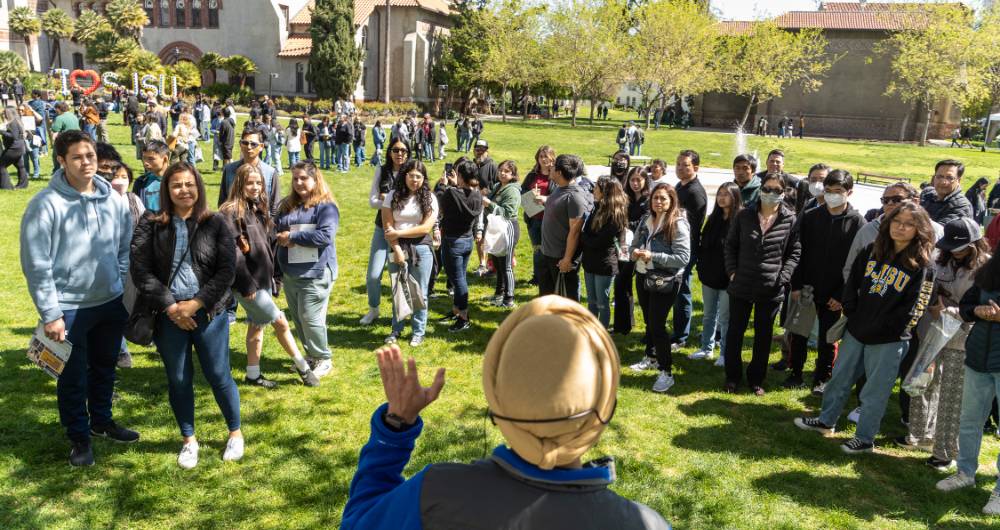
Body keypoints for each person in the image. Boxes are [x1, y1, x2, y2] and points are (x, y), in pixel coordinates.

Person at [340, 297, 670, 529]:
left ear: (497, 399)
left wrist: (395, 428)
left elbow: (360, 522)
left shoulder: (434, 494)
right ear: (605, 406)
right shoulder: (645, 524)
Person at [20, 131, 136, 466]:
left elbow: (122, 245)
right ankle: (79, 437)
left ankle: (101, 421)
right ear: (61, 160)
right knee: (72, 377)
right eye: (77, 157)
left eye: (90, 156)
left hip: (109, 302)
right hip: (68, 308)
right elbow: (36, 264)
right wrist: (50, 312)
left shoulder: (113, 199)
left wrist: (116, 278)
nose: (86, 163)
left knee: (104, 368)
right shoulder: (45, 205)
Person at [795, 202, 936, 454]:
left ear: (920, 229)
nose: (900, 228)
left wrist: (888, 329)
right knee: (839, 379)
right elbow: (852, 284)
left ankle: (865, 438)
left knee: (874, 391)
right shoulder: (873, 250)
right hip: (857, 330)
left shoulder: (923, 266)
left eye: (908, 224)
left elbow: (916, 308)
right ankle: (826, 421)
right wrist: (851, 311)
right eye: (896, 221)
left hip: (889, 340)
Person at [131, 161, 243, 469]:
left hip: (208, 312)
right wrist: (171, 306)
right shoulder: (151, 222)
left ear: (199, 187)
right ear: (166, 189)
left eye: (189, 184)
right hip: (168, 314)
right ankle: (188, 440)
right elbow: (140, 270)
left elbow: (226, 270)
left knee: (218, 374)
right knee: (178, 378)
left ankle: (234, 432)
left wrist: (196, 304)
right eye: (177, 185)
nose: (184, 190)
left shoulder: (216, 222)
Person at [897, 218, 988, 470]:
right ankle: (918, 434)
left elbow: (978, 304)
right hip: (932, 331)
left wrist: (952, 309)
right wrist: (932, 304)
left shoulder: (986, 267)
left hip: (963, 336)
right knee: (922, 382)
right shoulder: (939, 258)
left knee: (951, 395)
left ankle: (945, 452)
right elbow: (926, 287)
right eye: (952, 247)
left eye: (962, 247)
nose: (956, 252)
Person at [220, 164, 321, 388]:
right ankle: (304, 370)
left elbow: (270, 246)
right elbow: (232, 255)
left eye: (258, 183)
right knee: (281, 322)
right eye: (249, 183)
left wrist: (275, 278)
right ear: (239, 184)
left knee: (257, 326)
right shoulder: (230, 212)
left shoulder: (258, 209)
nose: (255, 187)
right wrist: (247, 287)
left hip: (262, 280)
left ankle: (253, 374)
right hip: (248, 285)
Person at [786, 170, 865, 390]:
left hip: (835, 291)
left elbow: (857, 264)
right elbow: (798, 252)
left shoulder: (858, 222)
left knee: (828, 338)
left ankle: (822, 376)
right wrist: (797, 284)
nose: (832, 195)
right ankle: (796, 372)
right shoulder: (812, 216)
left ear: (849, 192)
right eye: (828, 191)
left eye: (838, 191)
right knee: (799, 331)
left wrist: (842, 295)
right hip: (808, 286)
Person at [934, 252, 1000, 515]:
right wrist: (978, 311)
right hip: (978, 358)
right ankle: (965, 473)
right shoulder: (990, 271)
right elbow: (966, 307)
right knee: (969, 419)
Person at [723, 172, 800, 396]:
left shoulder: (789, 219)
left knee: (763, 336)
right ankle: (732, 377)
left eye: (776, 190)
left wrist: (783, 277)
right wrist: (732, 272)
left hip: (771, 287)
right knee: (735, 333)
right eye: (767, 189)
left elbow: (794, 252)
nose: (770, 194)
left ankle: (757, 379)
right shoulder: (744, 215)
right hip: (742, 284)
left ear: (783, 193)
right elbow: (730, 246)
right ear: (760, 189)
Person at [274, 162, 340, 377]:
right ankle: (310, 355)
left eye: (303, 178)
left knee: (311, 317)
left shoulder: (326, 207)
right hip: (291, 272)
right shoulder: (287, 205)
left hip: (316, 272)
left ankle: (323, 358)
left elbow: (325, 236)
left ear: (315, 179)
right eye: (295, 179)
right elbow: (276, 227)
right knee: (300, 318)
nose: (299, 183)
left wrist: (293, 237)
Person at [627, 183, 691, 393]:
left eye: (663, 198)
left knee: (657, 325)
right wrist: (633, 252)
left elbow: (683, 258)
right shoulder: (647, 220)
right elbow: (634, 244)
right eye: (655, 198)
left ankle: (667, 372)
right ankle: (651, 357)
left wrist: (653, 256)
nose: (659, 202)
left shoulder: (677, 224)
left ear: (672, 201)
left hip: (665, 280)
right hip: (643, 275)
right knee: (649, 322)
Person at [382, 159, 438, 346]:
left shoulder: (430, 198)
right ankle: (396, 329)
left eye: (419, 176)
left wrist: (399, 232)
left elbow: (425, 228)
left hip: (421, 247)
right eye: (412, 175)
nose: (415, 180)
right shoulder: (392, 195)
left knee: (419, 291)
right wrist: (397, 248)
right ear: (405, 176)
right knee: (398, 289)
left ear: (424, 179)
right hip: (396, 246)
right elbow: (387, 226)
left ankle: (418, 331)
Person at [690, 182, 743, 364]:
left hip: (729, 278)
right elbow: (705, 245)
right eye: (719, 194)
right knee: (708, 314)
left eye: (726, 194)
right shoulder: (714, 218)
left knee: (726, 318)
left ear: (735, 197)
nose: (721, 197)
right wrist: (702, 267)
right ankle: (706, 348)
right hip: (710, 276)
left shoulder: (741, 219)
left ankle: (724, 353)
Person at [360, 139, 411, 326]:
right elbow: (372, 201)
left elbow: (413, 203)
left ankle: (398, 316)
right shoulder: (382, 171)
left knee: (396, 274)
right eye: (396, 150)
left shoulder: (412, 171)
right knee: (373, 275)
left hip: (402, 231)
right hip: (382, 228)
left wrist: (386, 198)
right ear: (389, 152)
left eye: (404, 151)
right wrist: (390, 201)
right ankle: (374, 309)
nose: (400, 154)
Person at [435, 160, 483, 331]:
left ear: (460, 175)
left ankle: (463, 317)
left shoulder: (451, 193)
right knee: (459, 277)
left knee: (458, 280)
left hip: (452, 241)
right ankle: (456, 310)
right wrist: (455, 185)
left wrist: (443, 186)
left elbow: (439, 205)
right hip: (467, 240)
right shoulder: (477, 194)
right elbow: (463, 196)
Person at [539, 154, 591, 301]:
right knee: (547, 298)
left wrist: (567, 259)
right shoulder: (559, 188)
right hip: (548, 253)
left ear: (560, 172)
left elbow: (575, 232)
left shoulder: (575, 197)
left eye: (553, 165)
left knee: (567, 300)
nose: (550, 167)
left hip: (561, 258)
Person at [671, 150, 707, 352]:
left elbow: (691, 226)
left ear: (695, 168)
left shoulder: (694, 192)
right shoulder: (680, 186)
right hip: (675, 246)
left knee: (681, 291)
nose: (680, 168)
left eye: (685, 165)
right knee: (676, 291)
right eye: (678, 164)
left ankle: (681, 336)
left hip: (686, 249)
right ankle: (677, 332)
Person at [581, 177, 629, 328]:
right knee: (592, 301)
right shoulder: (597, 207)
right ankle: (591, 329)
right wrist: (585, 236)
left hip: (604, 264)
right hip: (590, 261)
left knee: (602, 302)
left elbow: (598, 241)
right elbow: (588, 231)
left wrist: (583, 237)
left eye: (596, 188)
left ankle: (601, 332)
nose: (593, 190)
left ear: (605, 192)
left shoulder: (615, 215)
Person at [613, 166, 651, 336]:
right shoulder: (626, 198)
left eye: (639, 180)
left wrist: (625, 224)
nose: (635, 183)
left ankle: (633, 326)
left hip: (640, 248)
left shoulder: (648, 200)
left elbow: (645, 224)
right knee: (621, 284)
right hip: (623, 246)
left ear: (645, 181)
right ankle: (623, 324)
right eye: (632, 180)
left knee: (631, 285)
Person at [484, 159, 522, 308]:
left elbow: (507, 212)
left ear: (513, 174)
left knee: (506, 265)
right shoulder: (497, 186)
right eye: (500, 170)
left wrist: (489, 204)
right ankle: (499, 294)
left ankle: (509, 298)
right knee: (498, 265)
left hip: (508, 228)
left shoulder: (512, 190)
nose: (502, 173)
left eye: (506, 171)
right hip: (495, 228)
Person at [218, 128, 280, 216]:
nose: (249, 147)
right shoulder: (229, 170)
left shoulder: (270, 173)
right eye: (245, 143)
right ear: (240, 144)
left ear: (261, 147)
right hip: (233, 223)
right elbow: (223, 201)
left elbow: (275, 208)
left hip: (260, 225)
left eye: (253, 144)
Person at [521, 146, 556, 287]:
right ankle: (537, 276)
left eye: (546, 156)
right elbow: (522, 190)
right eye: (541, 156)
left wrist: (544, 197)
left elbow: (560, 194)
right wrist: (530, 195)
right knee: (537, 249)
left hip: (550, 219)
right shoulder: (532, 175)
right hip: (534, 218)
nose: (543, 159)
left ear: (552, 157)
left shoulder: (555, 175)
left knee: (548, 249)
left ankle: (548, 275)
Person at [922, 160, 974, 225]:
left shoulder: (961, 206)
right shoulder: (927, 196)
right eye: (939, 176)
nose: (943, 182)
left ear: (958, 181)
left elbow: (940, 231)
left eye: (949, 178)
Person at [133, 140, 170, 213]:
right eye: (144, 158)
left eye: (151, 159)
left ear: (165, 159)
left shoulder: (177, 181)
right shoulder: (141, 181)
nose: (145, 163)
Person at [0, 107, 28, 189]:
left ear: (9, 114)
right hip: (19, 147)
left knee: (1, 165)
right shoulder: (17, 121)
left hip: (14, 148)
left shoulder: (13, 123)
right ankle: (23, 185)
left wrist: (1, 131)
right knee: (20, 166)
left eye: (5, 113)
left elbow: (13, 136)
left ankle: (6, 186)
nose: (4, 115)